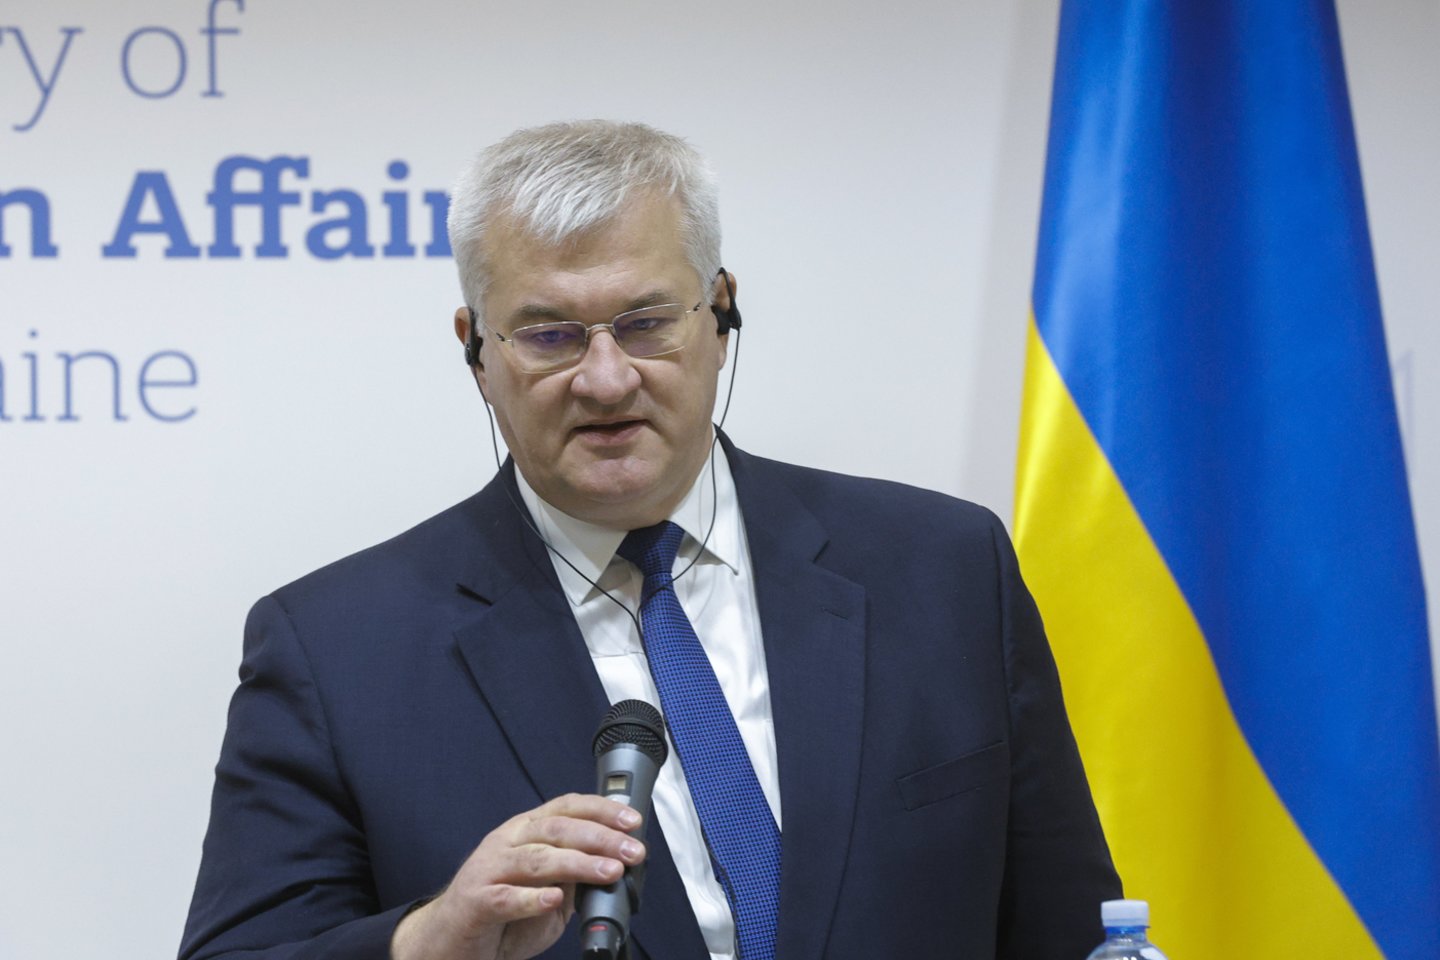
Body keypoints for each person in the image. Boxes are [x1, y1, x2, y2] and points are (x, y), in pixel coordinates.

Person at [180, 120, 1121, 960]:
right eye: (548, 336)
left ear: (722, 313)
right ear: (476, 351)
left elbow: (1074, 933)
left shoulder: (942, 570)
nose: (605, 379)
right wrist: (426, 943)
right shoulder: (337, 650)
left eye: (645, 323)